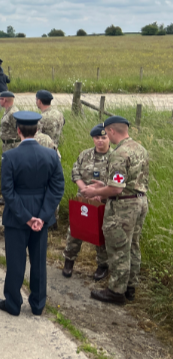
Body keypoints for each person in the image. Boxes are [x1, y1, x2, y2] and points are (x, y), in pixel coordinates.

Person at [0, 111, 64, 317]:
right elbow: (57, 187)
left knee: (16, 261)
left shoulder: (10, 156)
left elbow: (7, 191)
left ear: (18, 131)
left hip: (18, 216)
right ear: (37, 130)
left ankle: (13, 303)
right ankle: (38, 304)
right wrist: (42, 216)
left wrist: (26, 216)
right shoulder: (51, 155)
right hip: (42, 213)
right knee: (39, 261)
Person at [81, 116, 149, 305]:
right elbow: (127, 182)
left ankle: (115, 291)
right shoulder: (139, 148)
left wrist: (93, 191)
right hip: (140, 200)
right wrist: (105, 184)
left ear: (111, 131)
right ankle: (130, 288)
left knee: (119, 247)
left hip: (123, 206)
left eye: (106, 133)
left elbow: (116, 189)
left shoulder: (119, 154)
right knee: (133, 245)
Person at [61, 124, 111, 280]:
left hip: (104, 202)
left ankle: (102, 266)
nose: (100, 141)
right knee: (75, 231)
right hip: (83, 200)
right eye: (97, 138)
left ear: (109, 137)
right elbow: (75, 171)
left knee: (102, 233)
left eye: (104, 137)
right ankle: (69, 261)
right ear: (93, 139)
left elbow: (117, 182)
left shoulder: (116, 157)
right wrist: (84, 189)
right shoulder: (85, 155)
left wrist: (99, 194)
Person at [0, 91, 20, 205]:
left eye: (0, 99)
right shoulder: (8, 111)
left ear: (4, 100)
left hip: (13, 145)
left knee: (10, 171)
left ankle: (10, 197)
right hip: (7, 145)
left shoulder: (13, 113)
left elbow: (19, 130)